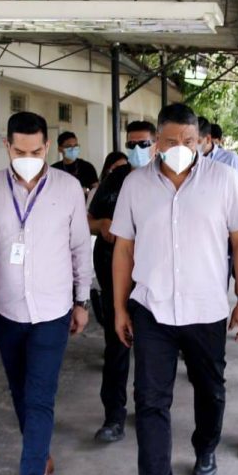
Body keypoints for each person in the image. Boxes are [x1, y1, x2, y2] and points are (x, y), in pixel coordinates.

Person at [111, 103, 238, 475]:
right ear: (157, 141)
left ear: (201, 141)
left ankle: (205, 447)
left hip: (205, 309)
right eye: (171, 141)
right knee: (150, 400)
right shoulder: (135, 184)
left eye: (189, 141)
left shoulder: (223, 180)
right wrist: (119, 307)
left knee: (210, 390)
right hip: (152, 308)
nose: (180, 148)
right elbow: (123, 249)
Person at [0, 111, 92, 475]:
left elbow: (80, 248)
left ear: (47, 147)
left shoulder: (68, 188)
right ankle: (40, 454)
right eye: (20, 151)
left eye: (37, 151)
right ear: (7, 146)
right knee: (20, 391)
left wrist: (81, 300)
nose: (29, 158)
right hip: (6, 310)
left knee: (39, 396)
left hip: (53, 311)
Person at [87, 120, 157, 443]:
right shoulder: (116, 178)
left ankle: (148, 412)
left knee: (151, 352)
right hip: (114, 276)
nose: (137, 150)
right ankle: (113, 416)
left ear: (156, 145)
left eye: (144, 144)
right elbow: (90, 220)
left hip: (151, 279)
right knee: (116, 347)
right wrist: (102, 223)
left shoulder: (165, 180)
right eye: (132, 144)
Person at [198, 116, 238, 195]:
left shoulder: (231, 160)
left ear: (208, 139)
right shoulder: (189, 160)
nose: (192, 145)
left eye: (197, 141)